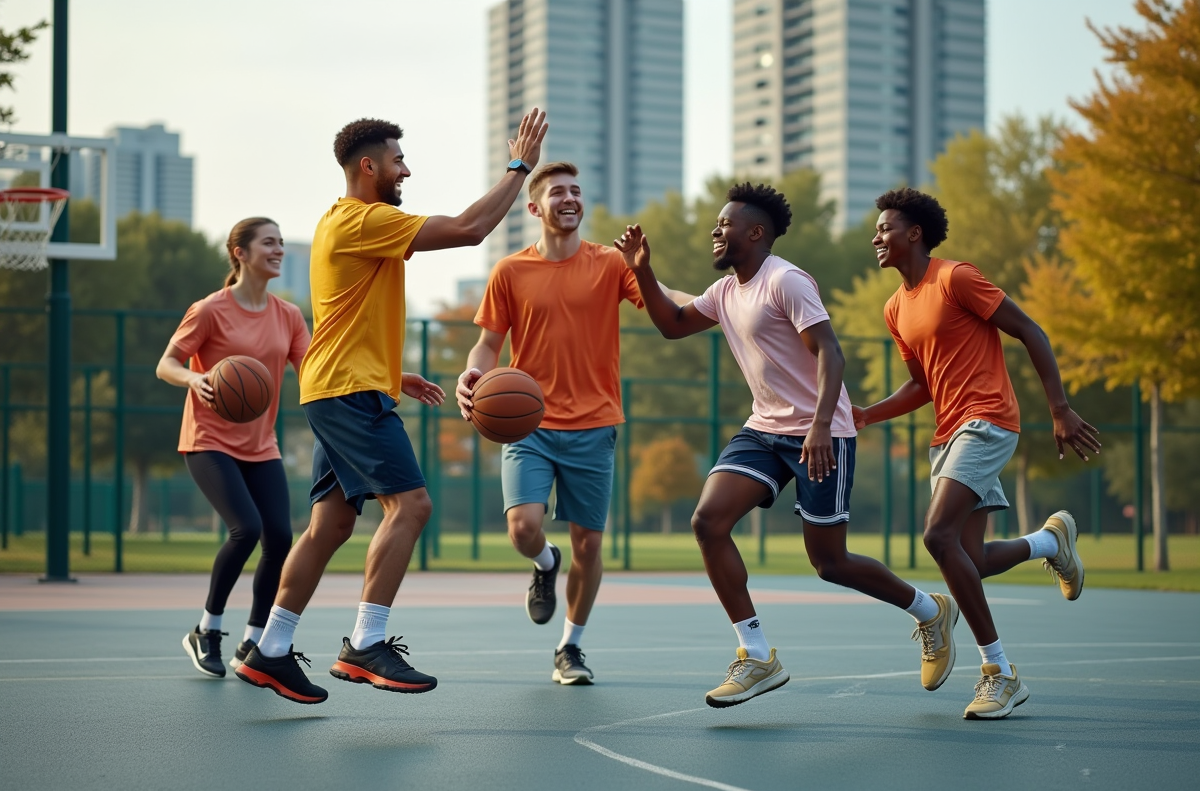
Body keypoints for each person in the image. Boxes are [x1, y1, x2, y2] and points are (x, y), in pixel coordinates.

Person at [234, 111, 548, 704]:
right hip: (348, 393)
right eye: (398, 160)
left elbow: (342, 315)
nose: (407, 169)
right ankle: (365, 643)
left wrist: (388, 372)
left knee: (331, 523)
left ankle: (270, 649)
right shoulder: (363, 219)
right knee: (411, 505)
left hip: (343, 385)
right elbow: (469, 228)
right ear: (368, 167)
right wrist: (519, 166)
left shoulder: (340, 221)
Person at [614, 183, 958, 709]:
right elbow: (671, 325)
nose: (715, 230)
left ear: (756, 233)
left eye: (725, 224)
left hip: (822, 433)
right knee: (708, 521)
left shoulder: (786, 280)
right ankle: (756, 655)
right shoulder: (726, 291)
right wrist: (641, 269)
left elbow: (831, 355)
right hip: (762, 429)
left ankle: (929, 611)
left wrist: (820, 425)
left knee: (830, 562)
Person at [855, 187, 1100, 720]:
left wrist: (1059, 407)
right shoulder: (895, 308)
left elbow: (1029, 330)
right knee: (974, 559)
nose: (876, 236)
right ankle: (1049, 542)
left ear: (913, 233)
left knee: (937, 537)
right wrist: (867, 413)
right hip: (947, 435)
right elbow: (920, 384)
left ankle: (1000, 672)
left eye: (885, 228)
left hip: (987, 421)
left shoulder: (956, 277)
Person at [455, 162, 687, 686]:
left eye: (577, 191)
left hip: (594, 424)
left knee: (589, 545)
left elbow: (666, 299)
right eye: (558, 191)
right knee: (523, 528)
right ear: (535, 208)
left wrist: (728, 303)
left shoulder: (610, 263)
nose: (570, 198)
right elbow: (488, 344)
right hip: (528, 424)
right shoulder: (510, 271)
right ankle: (543, 563)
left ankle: (570, 647)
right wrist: (473, 374)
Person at [157, 217, 310, 678]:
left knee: (280, 539)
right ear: (240, 253)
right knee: (246, 529)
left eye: (281, 242)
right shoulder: (209, 310)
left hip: (261, 444)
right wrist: (194, 378)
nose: (278, 249)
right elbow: (167, 364)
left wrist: (390, 378)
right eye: (269, 242)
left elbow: (317, 370)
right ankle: (207, 630)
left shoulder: (288, 316)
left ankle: (254, 640)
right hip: (209, 440)